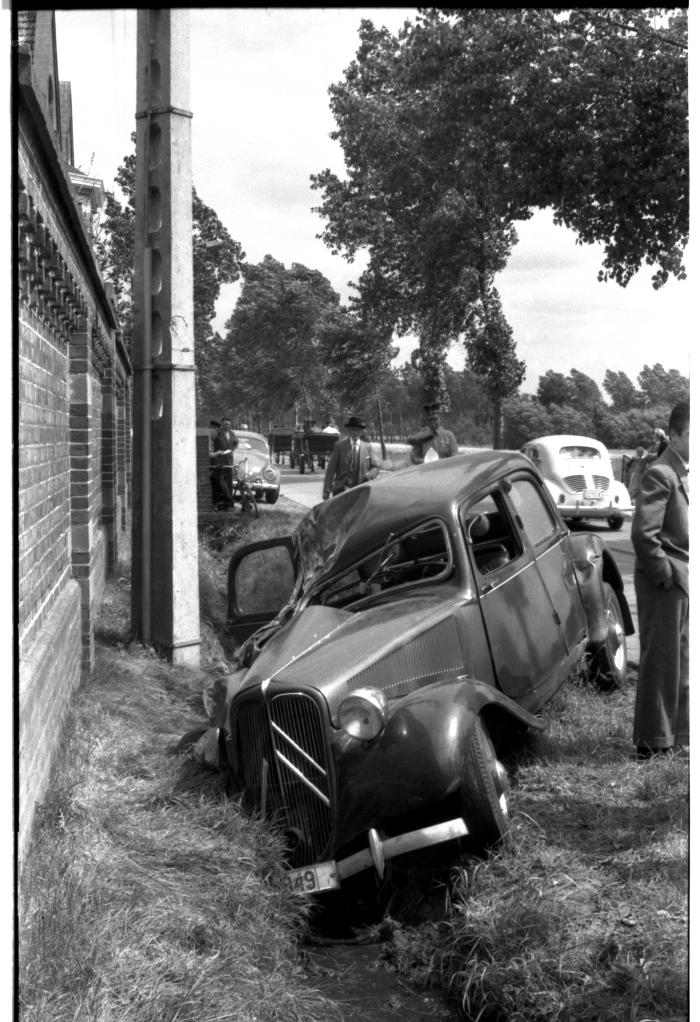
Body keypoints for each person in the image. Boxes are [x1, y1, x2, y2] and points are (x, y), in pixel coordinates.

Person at [631, 400, 689, 759]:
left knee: (681, 660)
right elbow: (643, 535)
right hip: (664, 584)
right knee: (660, 662)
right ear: (675, 436)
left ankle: (675, 735)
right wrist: (666, 576)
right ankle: (651, 743)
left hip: (681, 581)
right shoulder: (660, 472)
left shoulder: (682, 470)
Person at [322, 415, 380, 499]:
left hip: (361, 490)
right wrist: (326, 491)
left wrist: (369, 475)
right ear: (348, 430)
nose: (355, 433)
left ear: (361, 431)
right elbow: (331, 470)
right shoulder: (340, 446)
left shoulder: (368, 447)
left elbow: (376, 467)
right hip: (341, 491)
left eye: (358, 430)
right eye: (353, 430)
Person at [211, 416, 238, 509]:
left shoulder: (232, 433)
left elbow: (236, 442)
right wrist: (216, 453)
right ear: (222, 424)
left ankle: (229, 502)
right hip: (219, 460)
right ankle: (220, 503)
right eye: (226, 424)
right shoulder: (217, 433)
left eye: (229, 424)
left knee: (229, 481)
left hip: (229, 460)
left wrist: (231, 450)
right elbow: (211, 443)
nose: (227, 426)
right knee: (220, 483)